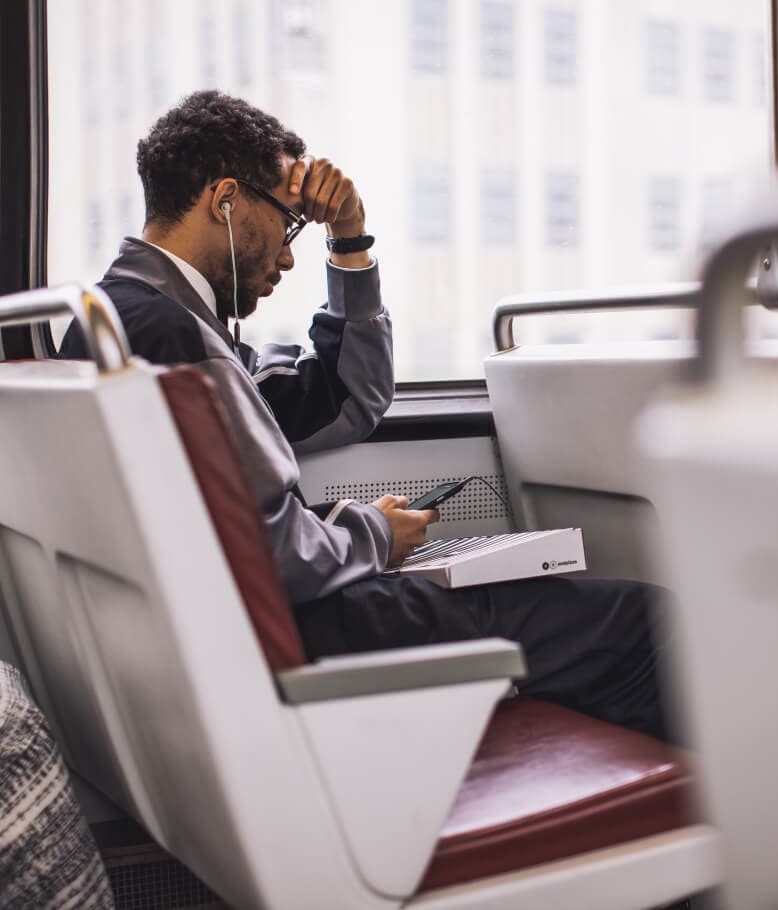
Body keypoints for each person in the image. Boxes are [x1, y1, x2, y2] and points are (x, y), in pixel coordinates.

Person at [60, 91, 675, 743]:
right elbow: (264, 557)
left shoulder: (116, 321)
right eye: (288, 224)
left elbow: (347, 400)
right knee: (648, 620)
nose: (287, 256)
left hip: (241, 629)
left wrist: (349, 239)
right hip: (312, 629)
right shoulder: (173, 339)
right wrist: (372, 534)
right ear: (227, 201)